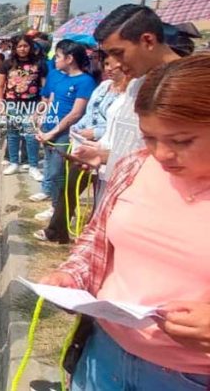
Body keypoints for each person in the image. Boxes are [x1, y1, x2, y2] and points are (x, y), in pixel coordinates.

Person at [40, 55, 210, 390]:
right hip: (103, 354)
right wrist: (72, 275)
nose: (161, 154)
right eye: (149, 138)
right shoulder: (134, 166)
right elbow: (98, 239)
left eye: (181, 141)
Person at [72, 5, 182, 181]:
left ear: (148, 41)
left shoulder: (191, 87)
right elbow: (135, 148)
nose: (114, 63)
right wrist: (104, 156)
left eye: (118, 53)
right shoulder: (134, 85)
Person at [36, 55, 128, 242]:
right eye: (107, 64)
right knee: (69, 187)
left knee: (101, 196)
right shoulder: (103, 86)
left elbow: (117, 123)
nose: (109, 69)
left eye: (115, 66)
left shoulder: (129, 94)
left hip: (106, 148)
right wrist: (77, 129)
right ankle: (57, 230)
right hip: (84, 146)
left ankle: (92, 235)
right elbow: (87, 113)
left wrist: (94, 132)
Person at [30, 40, 97, 211]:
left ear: (70, 59)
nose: (54, 59)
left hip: (65, 132)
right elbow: (49, 99)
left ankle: (57, 209)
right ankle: (50, 195)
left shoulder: (85, 81)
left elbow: (75, 113)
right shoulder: (57, 75)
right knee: (49, 164)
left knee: (58, 171)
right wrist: (39, 117)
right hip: (49, 127)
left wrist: (52, 132)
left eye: (58, 56)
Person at [0, 34, 48, 181]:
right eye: (19, 46)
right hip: (12, 103)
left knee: (31, 134)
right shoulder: (7, 64)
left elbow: (44, 86)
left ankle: (33, 166)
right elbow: (0, 85)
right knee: (13, 134)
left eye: (25, 46)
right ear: (15, 48)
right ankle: (13, 162)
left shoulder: (39, 63)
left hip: (33, 104)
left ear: (30, 47)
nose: (23, 49)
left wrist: (43, 104)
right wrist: (0, 103)